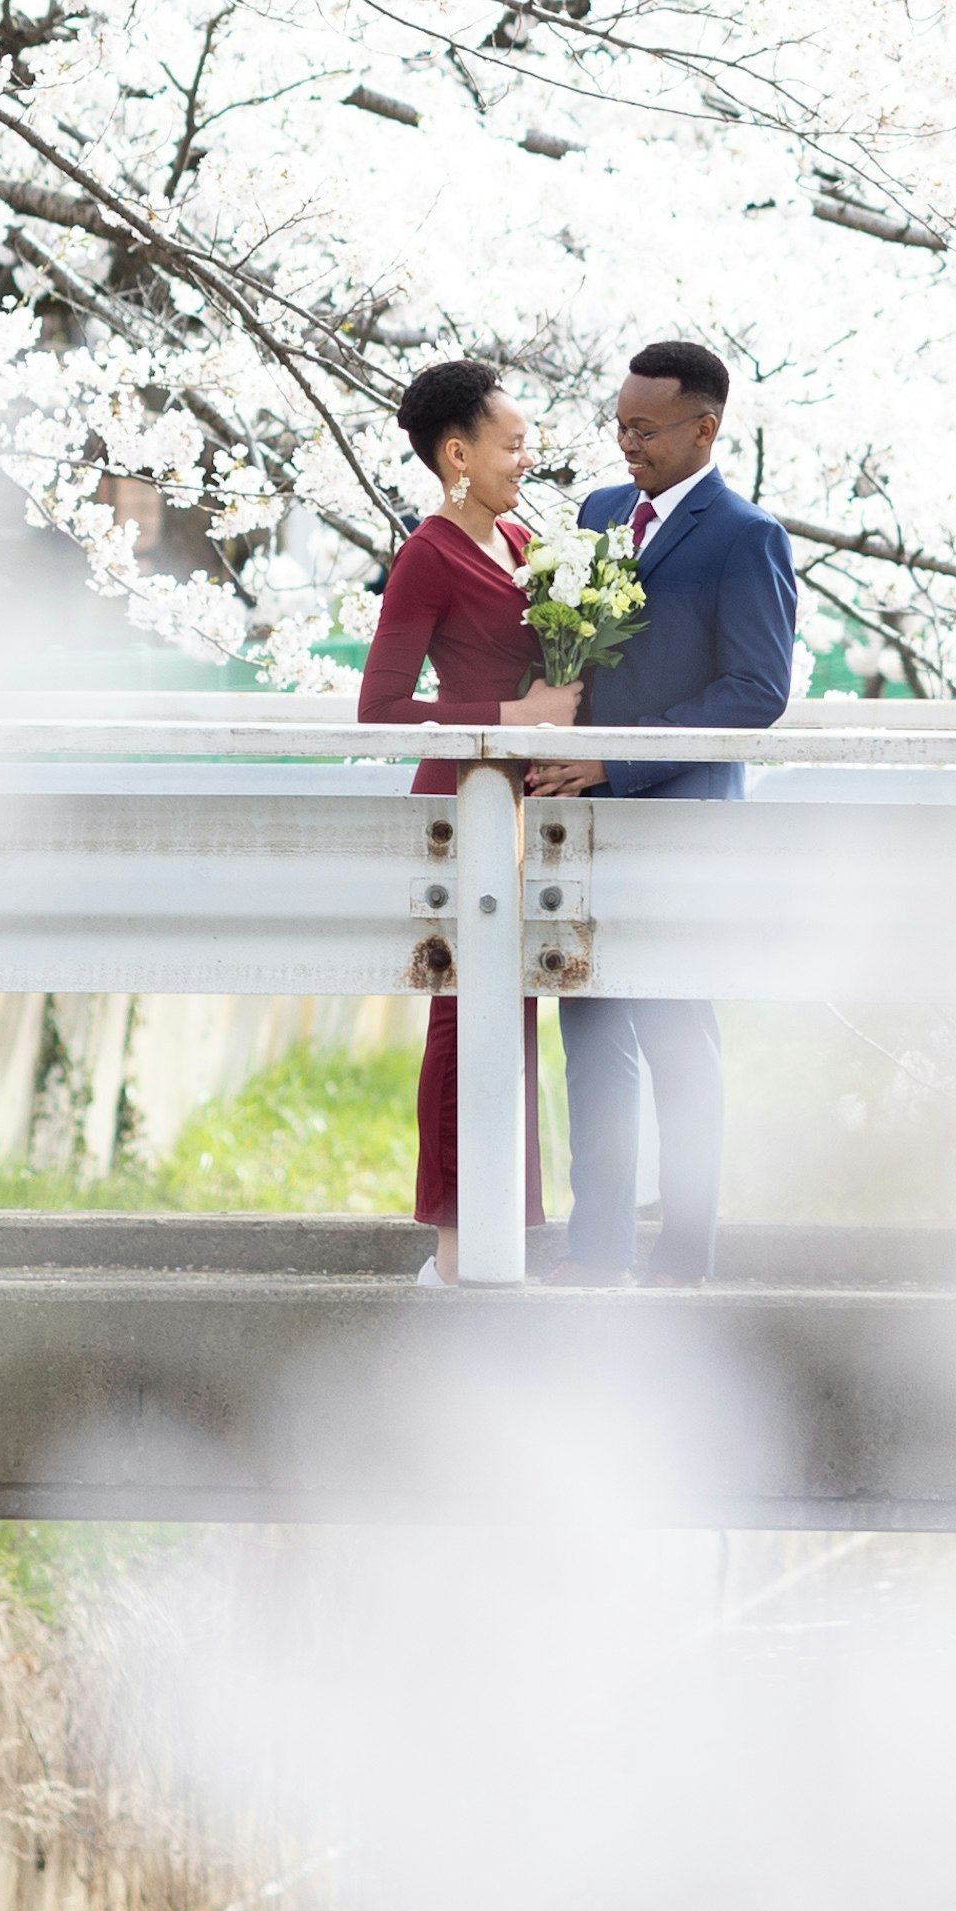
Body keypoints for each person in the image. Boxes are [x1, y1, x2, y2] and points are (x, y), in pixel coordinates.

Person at [544, 336, 798, 1284]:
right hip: (585, 826)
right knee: (591, 1037)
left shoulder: (747, 536)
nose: (626, 445)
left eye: (645, 429)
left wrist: (617, 760)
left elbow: (755, 691)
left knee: (677, 1043)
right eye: (617, 425)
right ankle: (594, 1250)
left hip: (683, 827)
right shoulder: (600, 513)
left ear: (706, 427)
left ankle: (685, 1257)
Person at [356, 354, 583, 1271]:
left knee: (516, 1013)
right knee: (463, 1016)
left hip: (529, 807)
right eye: (512, 444)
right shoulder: (429, 554)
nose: (526, 459)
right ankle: (455, 1249)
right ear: (458, 452)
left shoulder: (522, 543)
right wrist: (512, 717)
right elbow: (381, 707)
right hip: (461, 808)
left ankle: (502, 1230)